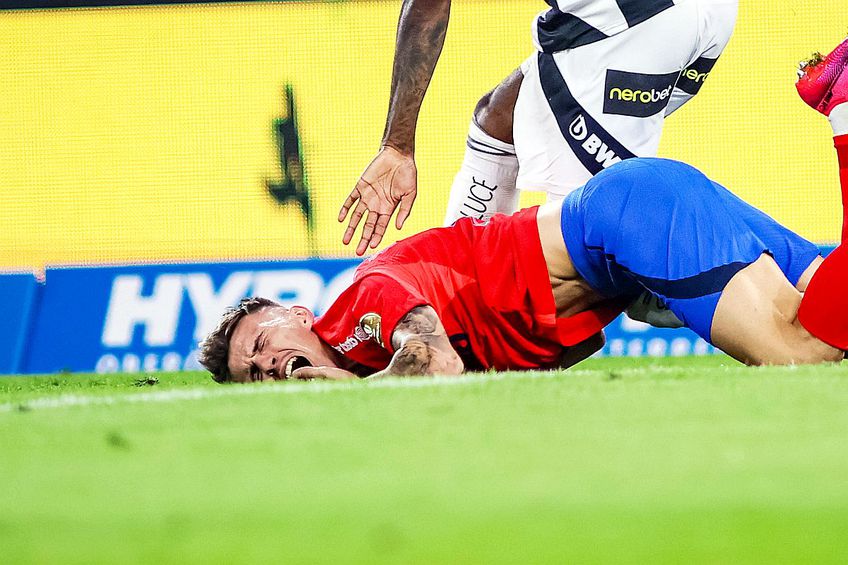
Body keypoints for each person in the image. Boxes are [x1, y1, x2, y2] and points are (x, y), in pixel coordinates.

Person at [198, 36, 848, 383]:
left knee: (800, 353)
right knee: (829, 310)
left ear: (296, 313)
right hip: (631, 211)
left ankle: (843, 112)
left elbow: (436, 363)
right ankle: (837, 100)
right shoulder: (363, 344)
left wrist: (341, 394)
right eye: (252, 374)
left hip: (627, 217)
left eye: (260, 342)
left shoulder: (357, 316)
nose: (266, 365)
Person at [338, 0, 738, 256]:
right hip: (700, 15)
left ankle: (713, 283)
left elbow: (426, 9)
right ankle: (458, 280)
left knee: (583, 242)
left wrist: (397, 145)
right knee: (498, 119)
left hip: (640, 20)